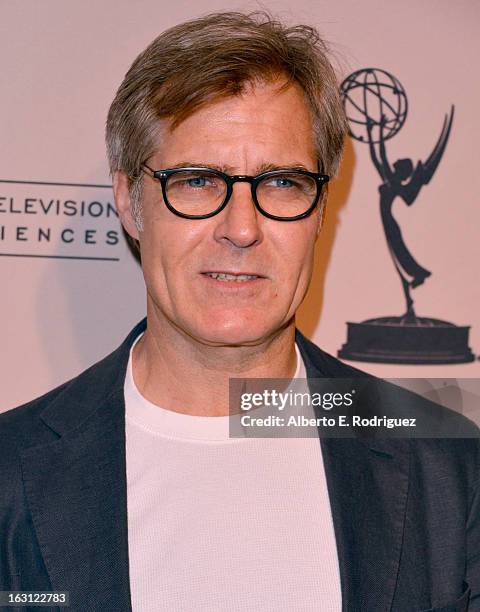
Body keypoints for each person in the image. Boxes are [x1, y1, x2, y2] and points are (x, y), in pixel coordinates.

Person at [0, 11, 478, 612]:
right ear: (128, 202)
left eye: (281, 182)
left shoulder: (449, 466)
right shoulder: (10, 473)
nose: (244, 228)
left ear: (321, 205)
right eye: (199, 181)